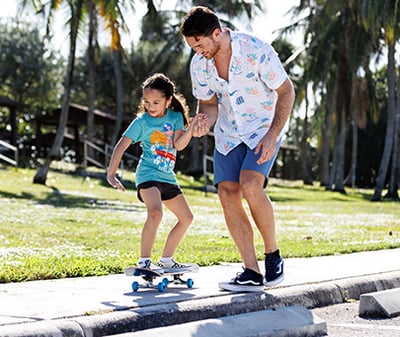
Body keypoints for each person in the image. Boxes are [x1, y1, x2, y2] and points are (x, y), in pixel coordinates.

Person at [180, 6, 295, 292]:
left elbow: (286, 91)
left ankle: (273, 255)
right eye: (192, 47)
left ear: (217, 33)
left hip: (263, 131)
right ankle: (251, 272)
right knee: (227, 192)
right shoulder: (199, 64)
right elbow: (207, 104)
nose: (198, 51)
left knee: (251, 184)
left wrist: (273, 135)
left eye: (200, 44)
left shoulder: (256, 50)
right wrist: (203, 123)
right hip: (229, 134)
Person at [107, 73, 207, 273]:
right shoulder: (141, 122)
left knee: (186, 218)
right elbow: (120, 146)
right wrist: (111, 174)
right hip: (147, 175)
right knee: (155, 213)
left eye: (156, 102)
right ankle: (144, 261)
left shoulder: (176, 117)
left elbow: (178, 145)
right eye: (146, 101)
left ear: (168, 100)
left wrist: (190, 129)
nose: (150, 106)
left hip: (167, 177)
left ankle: (167, 260)